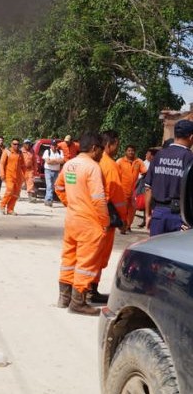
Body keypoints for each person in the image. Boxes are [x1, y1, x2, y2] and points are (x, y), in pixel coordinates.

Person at [54, 133, 109, 316]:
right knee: (86, 263)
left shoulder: (70, 164)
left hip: (72, 220)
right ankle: (78, 303)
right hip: (89, 223)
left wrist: (69, 204)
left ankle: (64, 297)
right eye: (101, 149)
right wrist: (105, 222)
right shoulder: (92, 167)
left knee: (69, 259)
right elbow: (99, 199)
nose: (102, 153)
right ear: (94, 148)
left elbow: (59, 187)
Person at [92, 130, 127, 303]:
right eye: (116, 145)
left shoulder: (93, 162)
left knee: (90, 254)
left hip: (91, 213)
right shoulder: (110, 165)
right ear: (109, 145)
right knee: (100, 255)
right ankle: (92, 290)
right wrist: (123, 219)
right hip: (106, 215)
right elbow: (118, 197)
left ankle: (84, 289)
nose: (117, 149)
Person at [144, 119, 193, 236]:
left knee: (155, 252)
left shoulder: (158, 156)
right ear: (191, 137)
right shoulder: (190, 158)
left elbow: (148, 188)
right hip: (180, 218)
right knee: (174, 253)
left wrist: (148, 215)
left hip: (158, 214)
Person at [116, 144, 146, 232]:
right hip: (122, 190)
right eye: (129, 150)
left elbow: (144, 172)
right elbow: (115, 173)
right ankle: (123, 225)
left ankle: (128, 225)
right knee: (123, 209)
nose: (131, 152)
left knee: (132, 210)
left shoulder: (139, 161)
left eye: (132, 151)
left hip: (134, 191)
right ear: (125, 151)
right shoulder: (120, 161)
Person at [0, 138, 25, 215]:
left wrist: (24, 176)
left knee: (16, 194)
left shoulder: (20, 153)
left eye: (17, 144)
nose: (16, 145)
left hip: (18, 177)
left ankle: (10, 209)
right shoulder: (7, 151)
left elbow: (23, 165)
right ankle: (2, 206)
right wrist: (2, 173)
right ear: (11, 144)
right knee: (9, 191)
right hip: (9, 175)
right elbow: (1, 163)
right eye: (14, 144)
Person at [42, 139, 64, 207]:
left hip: (56, 171)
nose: (53, 147)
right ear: (50, 146)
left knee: (54, 186)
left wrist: (52, 160)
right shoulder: (47, 151)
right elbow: (48, 162)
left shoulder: (60, 152)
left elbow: (62, 161)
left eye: (55, 145)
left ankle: (46, 200)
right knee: (49, 186)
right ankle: (49, 200)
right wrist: (57, 161)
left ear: (56, 146)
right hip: (48, 170)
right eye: (52, 145)